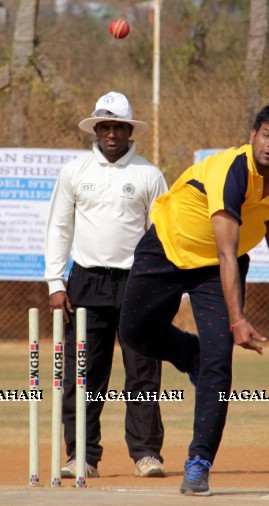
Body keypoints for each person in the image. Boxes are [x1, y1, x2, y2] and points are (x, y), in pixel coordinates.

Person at [118, 101, 269, 496]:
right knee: (135, 333)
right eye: (268, 134)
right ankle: (192, 354)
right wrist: (238, 318)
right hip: (168, 248)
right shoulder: (232, 170)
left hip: (215, 270)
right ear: (253, 134)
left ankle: (199, 462)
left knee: (219, 363)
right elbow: (226, 248)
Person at [45, 91, 169, 479]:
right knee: (84, 373)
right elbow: (59, 227)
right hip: (86, 281)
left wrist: (166, 285)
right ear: (96, 129)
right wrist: (55, 281)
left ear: (130, 131)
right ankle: (82, 455)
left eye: (119, 127)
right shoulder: (75, 171)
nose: (112, 133)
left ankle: (146, 453)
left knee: (143, 372)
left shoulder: (149, 174)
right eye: (105, 126)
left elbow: (164, 233)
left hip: (139, 283)